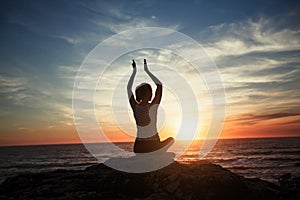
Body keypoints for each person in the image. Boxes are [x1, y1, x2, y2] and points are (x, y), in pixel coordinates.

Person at [127, 59, 174, 153]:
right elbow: (159, 85)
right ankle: (158, 153)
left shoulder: (135, 106)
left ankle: (155, 154)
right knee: (171, 140)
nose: (152, 94)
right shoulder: (152, 106)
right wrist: (147, 70)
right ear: (148, 94)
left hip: (138, 148)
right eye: (150, 92)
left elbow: (128, 88)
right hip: (153, 145)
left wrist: (134, 72)